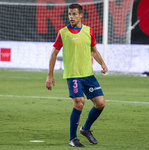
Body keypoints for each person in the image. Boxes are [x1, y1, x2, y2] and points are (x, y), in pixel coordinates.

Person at [46, 3, 108, 148]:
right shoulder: (63, 33)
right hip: (73, 75)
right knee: (79, 102)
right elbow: (54, 53)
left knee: (100, 103)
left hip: (88, 75)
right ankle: (72, 138)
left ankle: (85, 129)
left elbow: (94, 51)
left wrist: (102, 63)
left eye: (74, 14)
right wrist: (50, 75)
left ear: (81, 15)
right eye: (69, 14)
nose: (71, 17)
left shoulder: (89, 31)